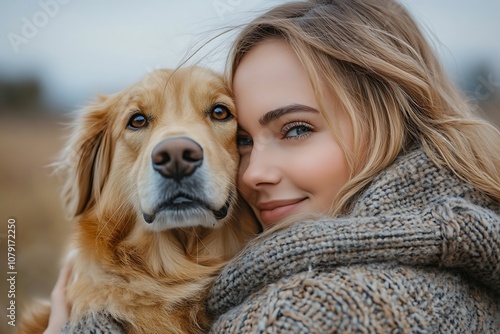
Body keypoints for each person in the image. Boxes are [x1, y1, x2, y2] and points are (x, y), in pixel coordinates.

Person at [46, 0, 500, 332]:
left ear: (395, 121)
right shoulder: (466, 229)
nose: (251, 174)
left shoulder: (302, 314)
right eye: (243, 138)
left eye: (297, 129)